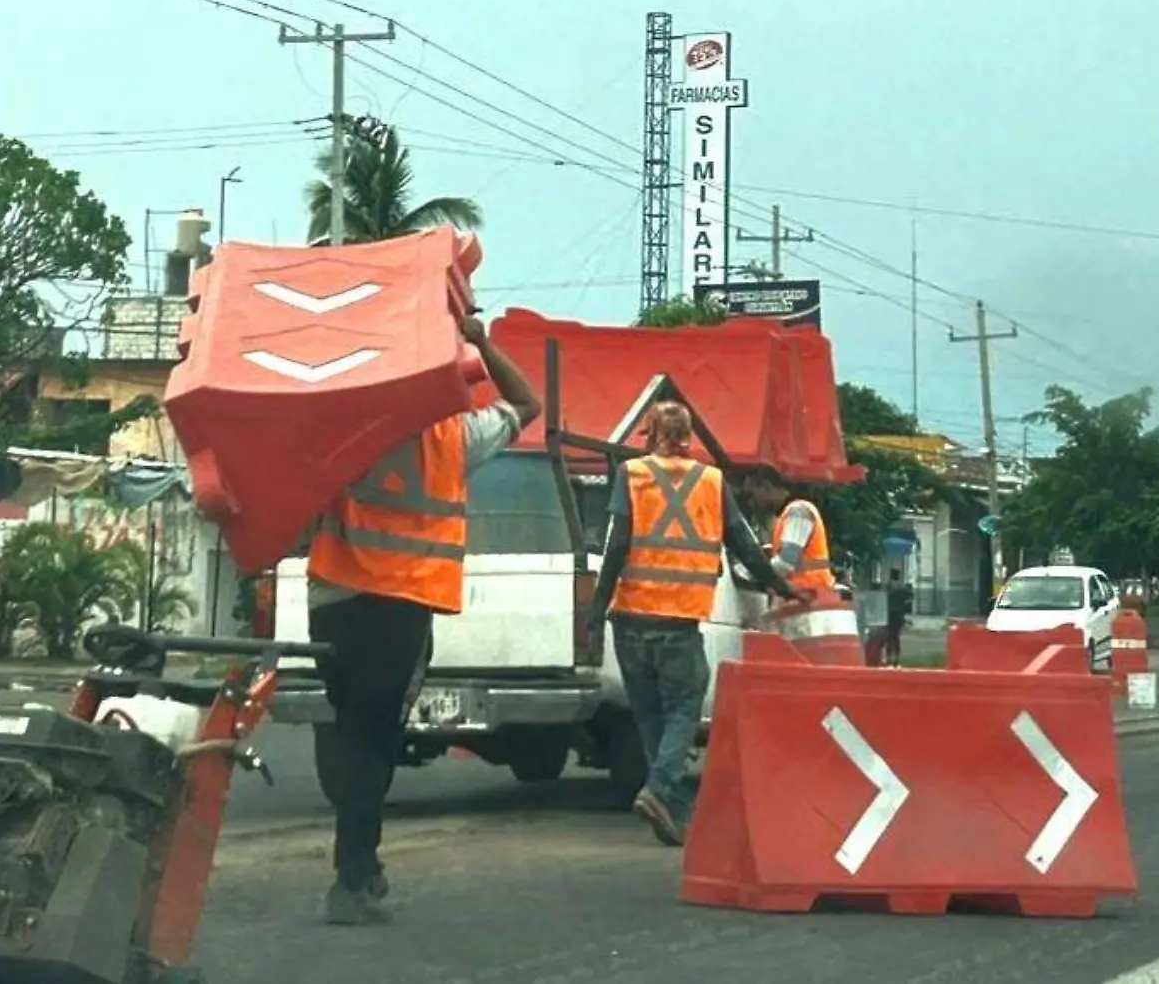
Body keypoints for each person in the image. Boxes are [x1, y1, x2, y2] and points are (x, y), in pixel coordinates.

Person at [304, 312, 540, 926]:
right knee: (371, 745)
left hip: (333, 608)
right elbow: (527, 402)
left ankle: (362, 869)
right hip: (400, 612)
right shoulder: (454, 438)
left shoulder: (345, 424)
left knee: (354, 737)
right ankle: (352, 878)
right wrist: (482, 341)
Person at [587, 402, 797, 849]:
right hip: (679, 619)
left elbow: (618, 544)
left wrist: (595, 611)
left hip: (630, 620)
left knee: (648, 716)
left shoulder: (632, 474)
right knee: (684, 707)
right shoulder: (712, 481)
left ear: (651, 434)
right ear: (688, 437)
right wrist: (778, 584)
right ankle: (660, 789)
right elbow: (741, 542)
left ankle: (674, 813)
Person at [743, 467, 837, 599]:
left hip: (812, 598)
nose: (751, 502)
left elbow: (785, 563)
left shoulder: (798, 512)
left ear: (766, 487)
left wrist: (751, 575)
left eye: (752, 494)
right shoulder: (788, 515)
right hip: (806, 598)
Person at [882, 567, 915, 668]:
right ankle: (897, 659)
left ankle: (888, 658)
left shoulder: (888, 587)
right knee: (896, 637)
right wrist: (904, 606)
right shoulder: (901, 587)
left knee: (889, 637)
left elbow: (883, 597)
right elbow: (911, 596)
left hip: (889, 614)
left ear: (891, 575)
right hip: (899, 615)